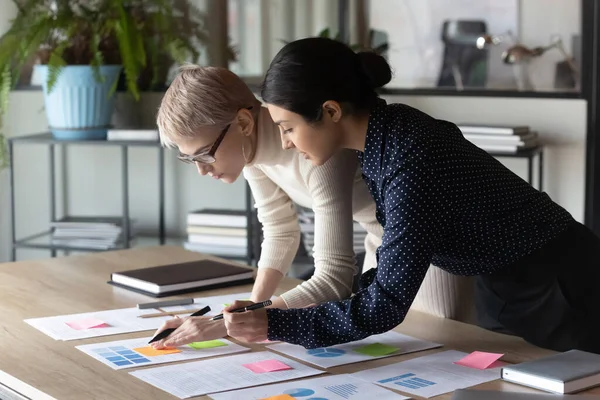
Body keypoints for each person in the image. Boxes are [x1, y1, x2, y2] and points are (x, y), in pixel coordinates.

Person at [221, 37, 600, 354]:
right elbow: (388, 272)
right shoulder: (383, 141)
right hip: (503, 284)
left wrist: (277, 324)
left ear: (331, 111)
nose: (286, 143)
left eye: (287, 128)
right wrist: (269, 310)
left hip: (560, 286)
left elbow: (386, 304)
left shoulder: (411, 153)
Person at [149, 64, 384, 349]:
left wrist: (229, 324)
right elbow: (280, 231)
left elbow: (334, 278)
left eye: (204, 154)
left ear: (244, 123)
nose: (201, 170)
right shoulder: (252, 152)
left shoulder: (315, 147)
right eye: (190, 159)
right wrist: (244, 314)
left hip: (421, 245)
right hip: (381, 242)